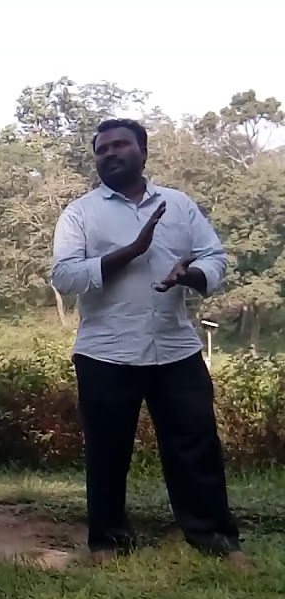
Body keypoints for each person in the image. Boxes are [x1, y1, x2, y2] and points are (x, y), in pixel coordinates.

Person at [49, 118, 249, 568]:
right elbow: (64, 276)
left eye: (120, 145)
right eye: (102, 149)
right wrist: (130, 251)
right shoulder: (81, 213)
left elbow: (214, 257)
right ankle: (108, 542)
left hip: (175, 346)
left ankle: (215, 539)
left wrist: (190, 275)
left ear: (143, 152)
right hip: (106, 351)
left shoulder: (178, 205)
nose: (110, 154)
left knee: (196, 445)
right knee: (107, 449)